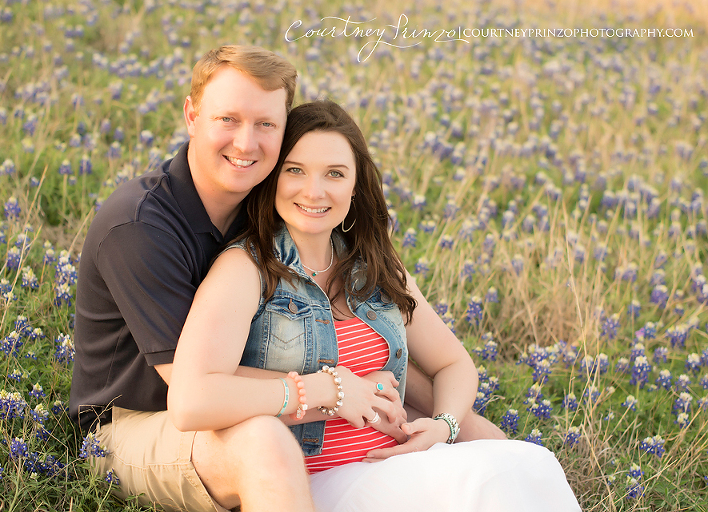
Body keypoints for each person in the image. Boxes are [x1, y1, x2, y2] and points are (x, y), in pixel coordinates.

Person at [71, 44, 503, 512]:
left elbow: (426, 361)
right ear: (192, 116)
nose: (245, 143)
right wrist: (335, 389)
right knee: (265, 440)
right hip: (138, 421)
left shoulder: (266, 211)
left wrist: (416, 405)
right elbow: (193, 390)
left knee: (480, 439)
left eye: (265, 125)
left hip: (247, 405)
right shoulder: (140, 229)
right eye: (228, 119)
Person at [168, 101, 581, 511]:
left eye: (335, 173)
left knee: (532, 465)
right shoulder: (246, 269)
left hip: (401, 462)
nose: (315, 191)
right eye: (295, 170)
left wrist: (444, 425)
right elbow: (196, 396)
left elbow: (453, 364)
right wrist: (330, 389)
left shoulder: (373, 265)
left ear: (354, 186)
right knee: (488, 482)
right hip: (318, 478)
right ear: (273, 179)